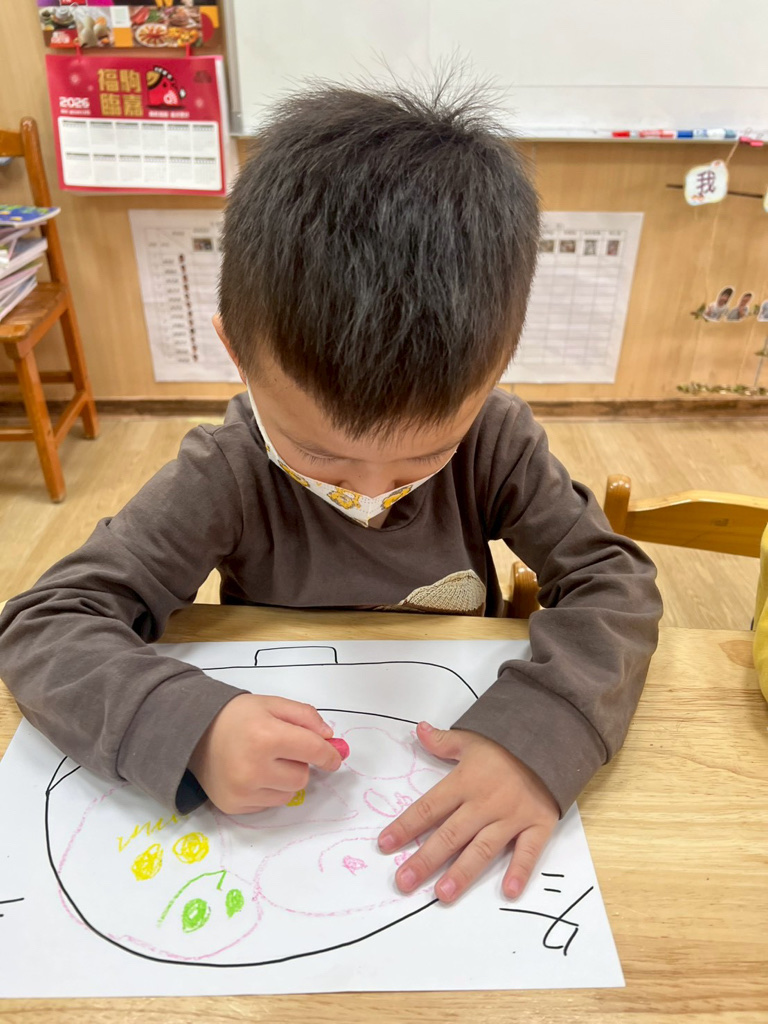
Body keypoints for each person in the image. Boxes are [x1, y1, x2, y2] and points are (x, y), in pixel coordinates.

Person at [0, 80, 662, 905]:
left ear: (497, 369)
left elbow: (613, 580)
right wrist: (191, 726)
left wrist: (542, 736)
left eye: (424, 456)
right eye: (321, 455)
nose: (373, 493)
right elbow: (47, 624)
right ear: (237, 354)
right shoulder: (227, 470)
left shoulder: (496, 439)